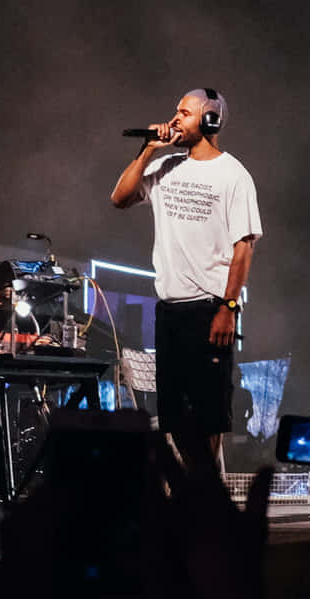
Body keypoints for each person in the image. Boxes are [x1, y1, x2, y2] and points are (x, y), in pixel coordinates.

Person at [111, 88, 262, 471]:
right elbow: (120, 197)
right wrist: (149, 149)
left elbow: (243, 248)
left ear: (210, 121)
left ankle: (206, 503)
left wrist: (229, 308)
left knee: (208, 417)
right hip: (171, 310)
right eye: (175, 111)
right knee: (174, 419)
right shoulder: (166, 166)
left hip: (210, 308)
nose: (175, 119)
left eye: (185, 113)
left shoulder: (234, 175)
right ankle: (196, 497)